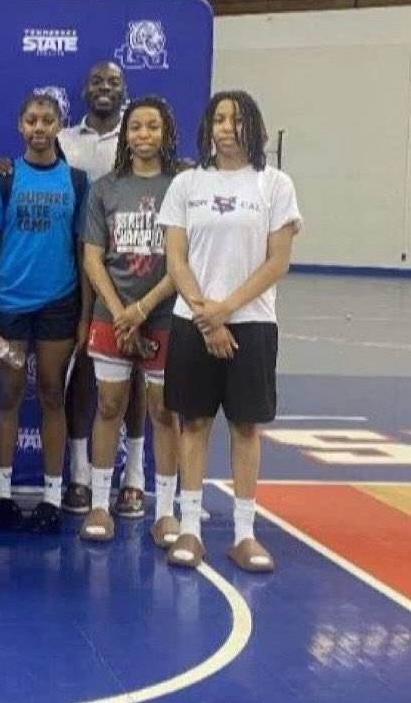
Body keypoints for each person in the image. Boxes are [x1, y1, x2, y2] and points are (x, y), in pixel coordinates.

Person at [159, 91, 300, 573]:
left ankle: (244, 534)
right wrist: (205, 314)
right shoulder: (186, 183)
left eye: (236, 120)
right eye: (219, 118)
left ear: (254, 129)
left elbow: (277, 261)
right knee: (193, 423)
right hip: (192, 320)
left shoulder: (275, 184)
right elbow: (175, 259)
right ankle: (191, 529)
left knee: (245, 426)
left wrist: (226, 310)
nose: (226, 127)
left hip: (253, 323)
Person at [0, 92, 89, 535]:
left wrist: (84, 313)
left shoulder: (77, 181)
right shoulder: (2, 179)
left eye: (47, 120)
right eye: (31, 120)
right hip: (10, 305)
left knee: (50, 394)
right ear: (20, 126)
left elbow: (83, 252)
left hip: (59, 304)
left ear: (59, 124)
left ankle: (50, 496)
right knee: (6, 395)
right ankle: (2, 495)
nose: (39, 127)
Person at [79, 96, 181, 546]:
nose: (143, 135)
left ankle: (166, 511)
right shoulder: (104, 188)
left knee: (163, 411)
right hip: (111, 315)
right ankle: (100, 504)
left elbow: (186, 259)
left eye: (152, 127)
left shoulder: (182, 185)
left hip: (163, 313)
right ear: (125, 134)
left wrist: (142, 309)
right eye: (135, 127)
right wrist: (121, 311)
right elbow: (92, 257)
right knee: (108, 406)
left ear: (165, 133)